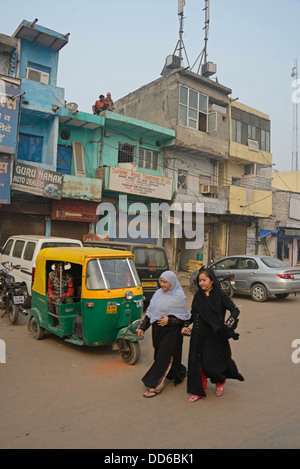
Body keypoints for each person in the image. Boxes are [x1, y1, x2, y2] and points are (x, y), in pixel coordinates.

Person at [181, 266, 244, 402]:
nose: (201, 283)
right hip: (198, 336)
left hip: (215, 336)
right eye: (199, 281)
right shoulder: (198, 296)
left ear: (212, 280)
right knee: (197, 364)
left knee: (212, 364)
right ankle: (198, 390)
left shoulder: (220, 296)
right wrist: (185, 325)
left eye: (204, 280)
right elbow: (193, 314)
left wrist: (228, 324)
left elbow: (234, 310)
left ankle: (220, 381)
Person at [137, 271, 191, 398]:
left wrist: (169, 321)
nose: (162, 284)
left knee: (164, 358)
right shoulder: (158, 294)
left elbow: (184, 319)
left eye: (165, 282)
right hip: (157, 332)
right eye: (161, 281)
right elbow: (150, 313)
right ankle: (179, 373)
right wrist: (142, 328)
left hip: (172, 333)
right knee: (162, 356)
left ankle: (155, 385)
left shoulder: (179, 297)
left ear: (172, 283)